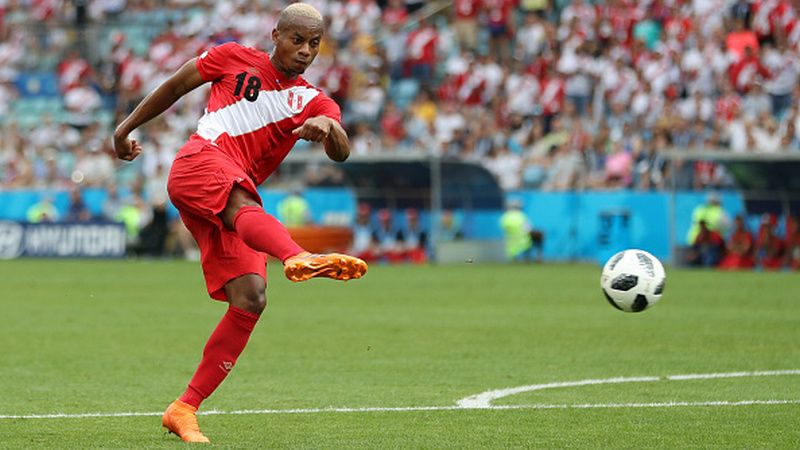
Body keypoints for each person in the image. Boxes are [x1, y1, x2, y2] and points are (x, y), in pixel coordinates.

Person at [112, 4, 368, 443]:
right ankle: (298, 257)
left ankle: (183, 408)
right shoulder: (232, 57)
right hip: (200, 163)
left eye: (314, 44)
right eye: (297, 40)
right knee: (242, 202)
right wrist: (124, 129)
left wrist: (328, 125)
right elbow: (175, 85)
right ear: (275, 34)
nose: (306, 51)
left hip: (234, 191)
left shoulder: (314, 100)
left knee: (250, 298)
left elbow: (340, 152)